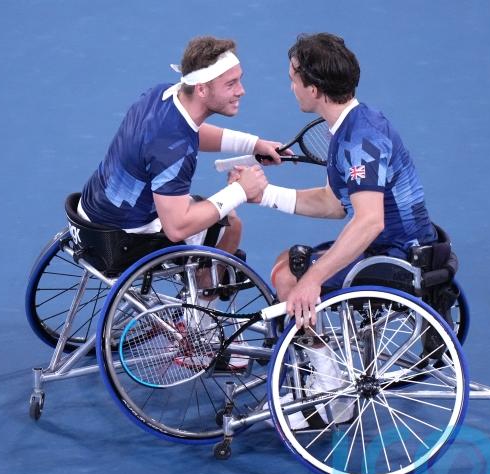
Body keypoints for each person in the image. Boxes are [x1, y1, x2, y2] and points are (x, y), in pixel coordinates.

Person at [258, 32, 438, 328]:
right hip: (389, 244)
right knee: (285, 261)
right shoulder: (352, 124)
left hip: (396, 256)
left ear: (313, 89)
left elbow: (369, 221)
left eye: (293, 79)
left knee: (289, 278)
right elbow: (334, 204)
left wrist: (314, 278)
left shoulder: (361, 140)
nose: (291, 87)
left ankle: (323, 370)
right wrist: (265, 194)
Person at [79, 36, 286, 255]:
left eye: (239, 80)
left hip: (92, 209)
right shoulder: (174, 152)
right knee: (231, 225)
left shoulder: (161, 95)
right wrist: (241, 190)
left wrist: (253, 144)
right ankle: (208, 289)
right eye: (230, 84)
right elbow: (176, 229)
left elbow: (190, 132)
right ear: (202, 89)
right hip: (123, 235)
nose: (241, 90)